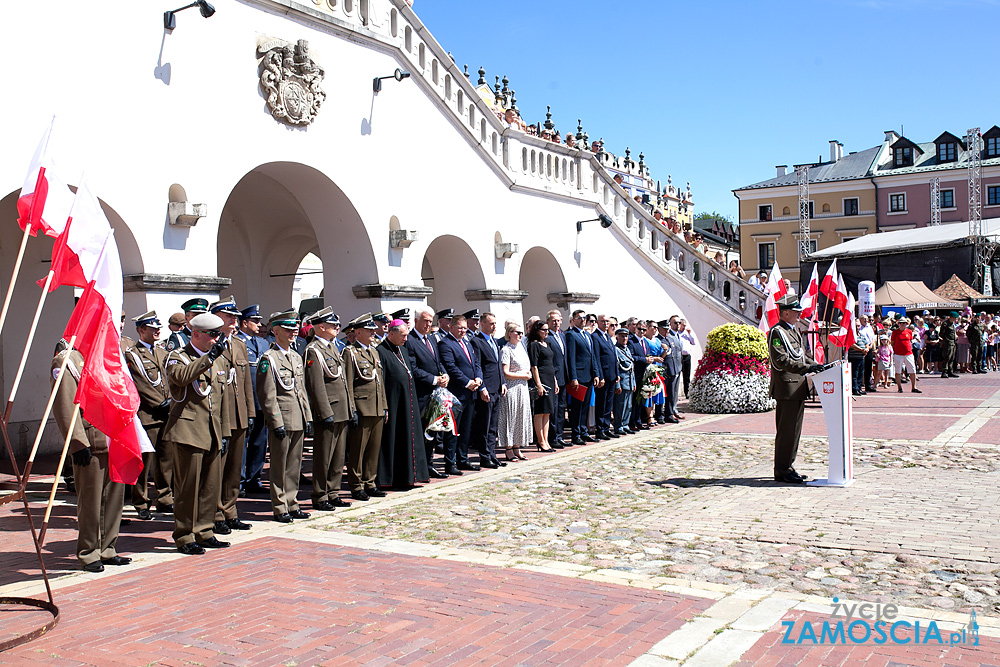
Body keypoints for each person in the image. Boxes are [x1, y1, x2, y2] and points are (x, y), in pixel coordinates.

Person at [52, 346, 130, 572]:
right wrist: (77, 442)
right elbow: (65, 404)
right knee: (91, 502)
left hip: (116, 437)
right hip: (91, 439)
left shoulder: (107, 353)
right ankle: (89, 552)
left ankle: (108, 548)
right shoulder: (67, 360)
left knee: (114, 499)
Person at [163, 313, 230, 554]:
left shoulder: (218, 359)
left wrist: (224, 432)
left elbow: (222, 398)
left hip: (211, 429)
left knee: (210, 486)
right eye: (212, 334)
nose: (216, 339)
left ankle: (204, 530)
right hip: (188, 430)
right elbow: (179, 378)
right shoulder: (177, 357)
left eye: (218, 334)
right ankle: (184, 535)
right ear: (196, 334)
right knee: (187, 488)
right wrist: (207, 360)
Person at [257, 310, 313, 522]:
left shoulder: (296, 357)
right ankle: (280, 506)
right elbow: (267, 395)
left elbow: (302, 391)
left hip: (298, 417)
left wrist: (307, 418)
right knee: (280, 466)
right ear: (276, 331)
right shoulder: (269, 359)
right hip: (283, 418)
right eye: (288, 329)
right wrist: (275, 422)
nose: (293, 333)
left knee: (294, 465)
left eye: (294, 329)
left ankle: (292, 502)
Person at [209, 297, 255, 535]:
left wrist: (249, 411)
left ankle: (230, 510)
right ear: (216, 317)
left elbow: (246, 381)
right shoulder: (210, 343)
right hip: (219, 413)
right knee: (218, 466)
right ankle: (216, 514)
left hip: (238, 413)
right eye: (230, 317)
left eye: (236, 317)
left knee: (235, 466)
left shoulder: (238, 344)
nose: (235, 321)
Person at [767, 295, 822, 485]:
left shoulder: (793, 331)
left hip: (797, 387)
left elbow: (801, 355)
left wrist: (816, 365)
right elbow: (780, 360)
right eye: (796, 311)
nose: (799, 314)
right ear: (785, 312)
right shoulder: (777, 332)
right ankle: (781, 470)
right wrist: (808, 368)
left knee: (795, 431)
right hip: (787, 387)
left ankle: (788, 466)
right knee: (786, 431)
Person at [303, 308, 354, 509]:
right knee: (324, 456)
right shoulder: (313, 350)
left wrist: (349, 408)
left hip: (341, 409)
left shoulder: (333, 348)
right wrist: (324, 412)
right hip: (328, 411)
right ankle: (320, 495)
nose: (337, 328)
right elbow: (316, 385)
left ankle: (333, 492)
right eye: (332, 325)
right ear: (321, 327)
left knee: (338, 456)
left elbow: (342, 381)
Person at [124, 311, 172, 520]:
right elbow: (140, 383)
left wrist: (171, 401)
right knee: (144, 461)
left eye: (158, 328)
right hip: (148, 414)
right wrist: (160, 403)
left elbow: (170, 379)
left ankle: (165, 498)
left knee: (166, 460)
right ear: (141, 330)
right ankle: (141, 502)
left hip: (167, 413)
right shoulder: (133, 355)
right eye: (152, 329)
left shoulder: (163, 353)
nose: (157, 332)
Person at [376, 320, 429, 489]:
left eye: (407, 335)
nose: (406, 339)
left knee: (410, 438)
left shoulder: (403, 350)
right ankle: (391, 478)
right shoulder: (381, 351)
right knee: (394, 439)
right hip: (393, 403)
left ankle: (410, 476)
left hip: (408, 403)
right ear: (391, 333)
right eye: (403, 335)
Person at [343, 314, 389, 499]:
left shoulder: (374, 352)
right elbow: (347, 383)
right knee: (358, 449)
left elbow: (380, 382)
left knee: (373, 448)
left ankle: (370, 482)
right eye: (369, 331)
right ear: (358, 332)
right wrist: (351, 409)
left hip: (376, 406)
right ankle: (356, 484)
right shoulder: (350, 352)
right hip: (361, 407)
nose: (373, 333)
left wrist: (384, 406)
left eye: (373, 330)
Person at [403, 306, 449, 478]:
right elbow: (413, 368)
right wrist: (434, 379)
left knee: (433, 430)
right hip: (421, 393)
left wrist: (444, 375)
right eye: (425, 321)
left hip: (435, 394)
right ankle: (419, 467)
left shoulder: (431, 339)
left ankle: (429, 464)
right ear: (416, 321)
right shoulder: (410, 340)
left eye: (430, 321)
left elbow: (438, 362)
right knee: (421, 432)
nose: (428, 324)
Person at [437, 314, 483, 475]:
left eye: (465, 328)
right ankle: (450, 462)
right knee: (452, 430)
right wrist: (467, 382)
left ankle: (463, 459)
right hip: (456, 393)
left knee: (465, 428)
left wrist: (478, 379)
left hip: (470, 392)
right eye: (460, 328)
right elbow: (451, 367)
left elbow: (475, 363)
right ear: (451, 327)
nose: (463, 331)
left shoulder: (467, 342)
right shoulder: (445, 344)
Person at [235, 305, 268, 495]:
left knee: (260, 442)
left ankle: (254, 478)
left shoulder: (262, 343)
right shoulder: (237, 342)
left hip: (261, 400)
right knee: (243, 443)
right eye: (254, 321)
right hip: (245, 401)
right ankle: (239, 481)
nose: (258, 324)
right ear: (244, 323)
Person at [468, 312, 506, 469]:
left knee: (493, 426)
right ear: (482, 324)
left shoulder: (494, 341)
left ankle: (492, 454)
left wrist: (502, 382)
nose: (494, 326)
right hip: (486, 389)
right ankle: (484, 456)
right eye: (491, 323)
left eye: (495, 323)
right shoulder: (477, 342)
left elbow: (497, 365)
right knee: (484, 425)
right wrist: (482, 387)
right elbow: (478, 366)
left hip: (496, 388)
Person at [499, 323, 532, 460]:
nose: (519, 335)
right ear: (509, 333)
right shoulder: (506, 350)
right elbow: (505, 372)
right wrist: (522, 376)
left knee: (521, 416)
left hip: (523, 387)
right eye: (517, 332)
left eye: (521, 333)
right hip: (512, 388)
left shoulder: (521, 348)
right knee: (511, 418)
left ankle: (517, 447)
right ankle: (508, 448)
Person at [527, 319, 556, 451]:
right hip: (541, 379)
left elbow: (551, 364)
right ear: (537, 331)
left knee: (547, 412)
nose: (546, 332)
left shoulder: (548, 344)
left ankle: (546, 439)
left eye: (547, 330)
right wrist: (538, 384)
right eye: (543, 330)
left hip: (550, 378)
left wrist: (555, 381)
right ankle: (540, 440)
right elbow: (534, 366)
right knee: (540, 411)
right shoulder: (534, 345)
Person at [591, 314, 619, 440]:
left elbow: (613, 356)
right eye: (603, 321)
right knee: (601, 404)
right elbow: (596, 358)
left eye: (607, 321)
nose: (606, 324)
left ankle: (606, 427)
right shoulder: (595, 337)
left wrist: (617, 373)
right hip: (604, 376)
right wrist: (599, 376)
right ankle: (600, 429)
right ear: (597, 322)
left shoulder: (607, 336)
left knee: (608, 404)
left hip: (612, 375)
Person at [544, 310, 568, 448]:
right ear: (548, 322)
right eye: (553, 320)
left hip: (563, 376)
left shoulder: (562, 335)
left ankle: (560, 435)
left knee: (561, 409)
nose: (556, 323)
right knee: (554, 408)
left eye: (558, 320)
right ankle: (553, 437)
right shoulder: (547, 337)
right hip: (553, 377)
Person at [612, 327, 635, 435]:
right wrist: (617, 385)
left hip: (629, 382)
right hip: (622, 382)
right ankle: (618, 425)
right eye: (622, 336)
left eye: (626, 336)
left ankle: (625, 424)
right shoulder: (616, 350)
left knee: (628, 406)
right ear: (617, 337)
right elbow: (617, 368)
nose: (624, 338)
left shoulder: (627, 349)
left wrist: (633, 383)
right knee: (620, 406)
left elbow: (631, 367)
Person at [890, 317, 920, 393]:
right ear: (898, 324)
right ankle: (899, 387)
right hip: (898, 354)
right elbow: (892, 343)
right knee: (898, 371)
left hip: (908, 353)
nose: (903, 324)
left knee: (912, 370)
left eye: (904, 323)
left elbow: (910, 340)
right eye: (901, 323)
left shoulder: (909, 332)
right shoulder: (895, 332)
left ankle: (914, 387)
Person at [939, 311, 958, 378]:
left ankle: (950, 371)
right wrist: (946, 339)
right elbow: (941, 334)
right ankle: (944, 371)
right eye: (955, 318)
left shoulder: (952, 324)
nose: (956, 319)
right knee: (947, 357)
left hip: (952, 342)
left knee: (951, 357)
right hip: (947, 342)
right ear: (951, 317)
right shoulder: (945, 324)